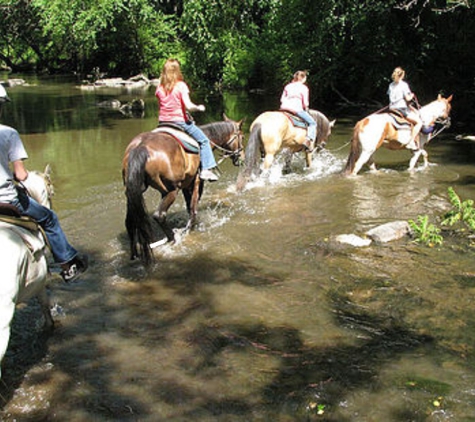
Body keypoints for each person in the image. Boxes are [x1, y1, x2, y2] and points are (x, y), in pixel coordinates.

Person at [0, 84, 88, 282]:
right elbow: (21, 175)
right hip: (6, 200)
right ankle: (68, 267)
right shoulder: (8, 133)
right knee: (49, 218)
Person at [155, 59, 219, 182]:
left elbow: (162, 106)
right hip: (180, 122)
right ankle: (206, 170)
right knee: (204, 141)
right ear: (177, 71)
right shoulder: (181, 86)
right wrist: (198, 107)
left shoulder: (159, 87)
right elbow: (189, 106)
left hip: (162, 123)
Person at [280, 70, 317, 152]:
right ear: (303, 79)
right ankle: (308, 140)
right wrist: (306, 108)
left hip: (283, 108)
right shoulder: (304, 88)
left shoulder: (288, 86)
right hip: (296, 109)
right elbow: (305, 103)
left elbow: (282, 99)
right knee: (313, 123)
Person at [387, 66, 422, 148]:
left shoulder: (391, 85)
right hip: (401, 109)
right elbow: (407, 98)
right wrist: (412, 96)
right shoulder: (404, 85)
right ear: (402, 75)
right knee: (419, 123)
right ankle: (412, 142)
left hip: (391, 108)